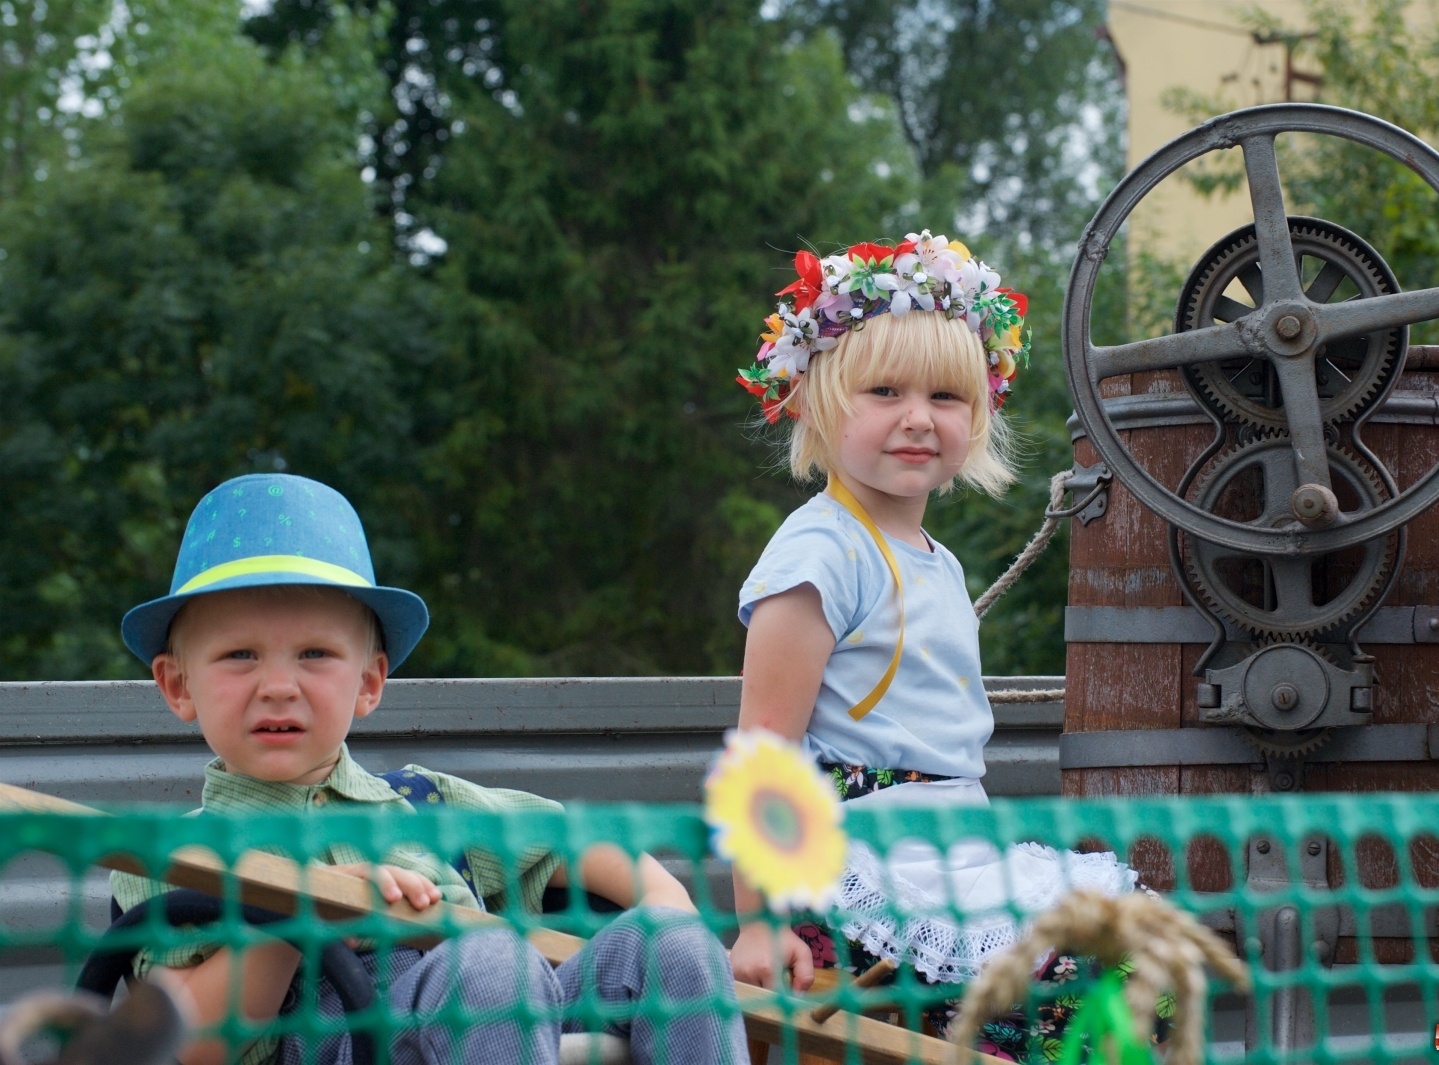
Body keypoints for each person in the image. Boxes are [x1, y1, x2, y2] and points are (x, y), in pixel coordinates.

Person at [110, 473, 748, 1065]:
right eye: (240, 655)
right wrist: (295, 918)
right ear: (178, 685)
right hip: (337, 1037)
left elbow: (566, 840)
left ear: (368, 681)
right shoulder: (175, 856)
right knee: (492, 960)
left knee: (669, 943)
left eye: (314, 654)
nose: (279, 685)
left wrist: (671, 904)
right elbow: (185, 1047)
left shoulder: (426, 802)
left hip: (500, 1012)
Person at [731, 233, 1145, 1060]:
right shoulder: (818, 556)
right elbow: (762, 757)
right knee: (1062, 992)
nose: (920, 417)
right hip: (861, 876)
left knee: (1141, 957)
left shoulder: (939, 562)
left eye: (948, 396)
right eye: (884, 390)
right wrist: (756, 923)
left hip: (955, 849)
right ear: (815, 401)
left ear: (979, 413)